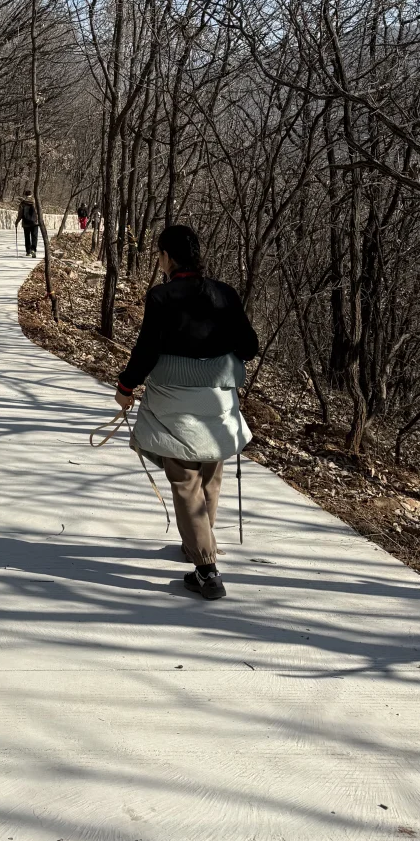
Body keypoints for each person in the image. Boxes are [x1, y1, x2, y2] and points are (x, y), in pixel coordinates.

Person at [114, 224, 258, 601]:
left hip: (174, 406)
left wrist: (126, 387)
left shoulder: (161, 297)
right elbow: (249, 346)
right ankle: (199, 543)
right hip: (219, 404)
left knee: (185, 482)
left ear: (166, 257)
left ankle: (206, 570)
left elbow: (146, 351)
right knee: (209, 472)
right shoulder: (224, 294)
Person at [16, 190, 39, 256]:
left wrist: (17, 222)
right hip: (34, 223)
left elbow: (20, 214)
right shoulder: (35, 202)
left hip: (26, 223)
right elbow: (39, 212)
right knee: (34, 237)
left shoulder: (22, 203)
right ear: (31, 194)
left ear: (25, 195)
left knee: (27, 237)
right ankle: (33, 250)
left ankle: (28, 251)